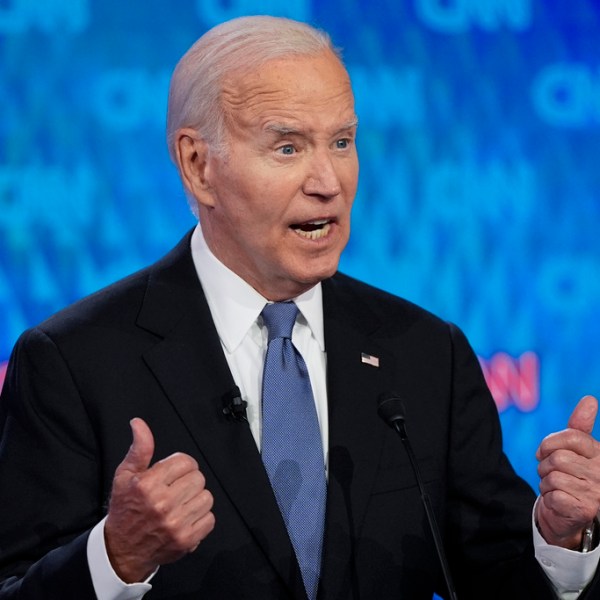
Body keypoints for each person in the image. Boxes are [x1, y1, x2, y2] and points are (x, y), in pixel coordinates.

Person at [0, 15, 599, 600]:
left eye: (342, 141)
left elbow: (499, 575)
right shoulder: (75, 362)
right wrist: (116, 558)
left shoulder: (424, 353)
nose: (328, 181)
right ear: (197, 165)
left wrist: (560, 539)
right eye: (287, 147)